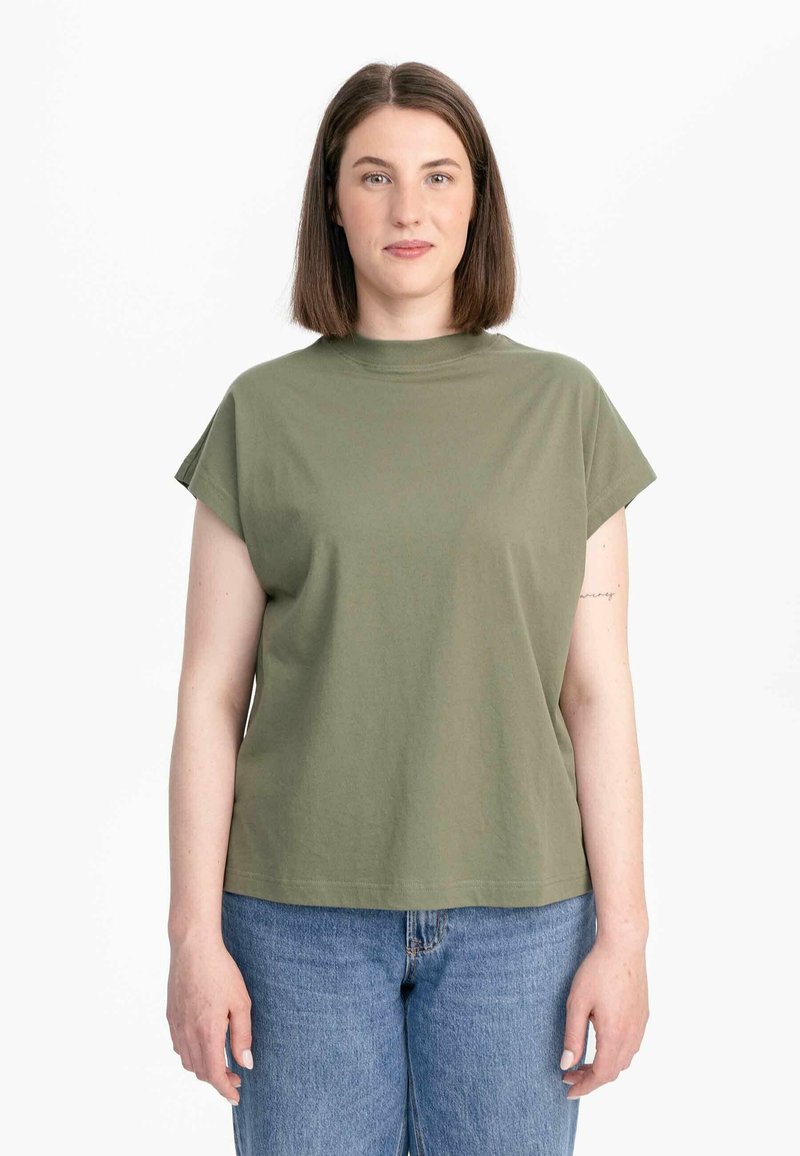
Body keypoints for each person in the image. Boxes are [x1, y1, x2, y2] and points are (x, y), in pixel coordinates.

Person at [166, 60, 656, 1156]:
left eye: (439, 176)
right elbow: (210, 693)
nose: (408, 209)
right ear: (332, 202)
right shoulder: (263, 412)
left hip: (520, 924)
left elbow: (596, 691)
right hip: (294, 923)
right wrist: (192, 935)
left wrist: (623, 936)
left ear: (477, 201)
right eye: (374, 176)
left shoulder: (563, 407)